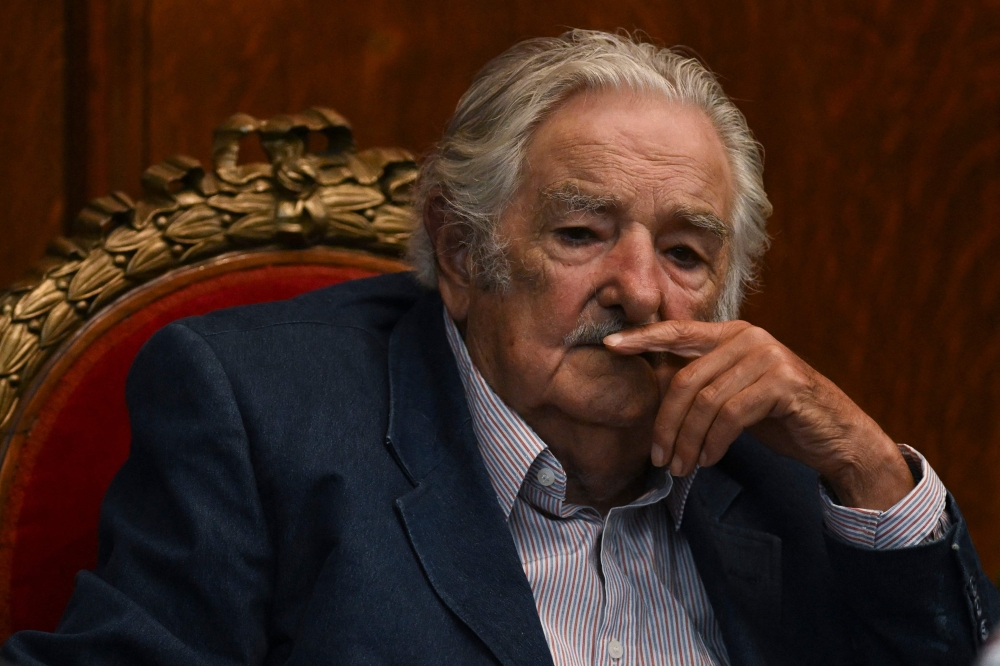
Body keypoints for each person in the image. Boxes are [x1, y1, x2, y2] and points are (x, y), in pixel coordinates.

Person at [3, 29, 997, 666]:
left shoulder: (779, 469)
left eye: (686, 252)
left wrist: (867, 468)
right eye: (580, 234)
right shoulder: (264, 412)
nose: (640, 288)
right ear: (460, 248)